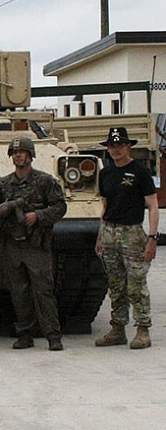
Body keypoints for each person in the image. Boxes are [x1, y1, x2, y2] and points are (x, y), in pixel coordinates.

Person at [0, 137, 67, 351]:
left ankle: (52, 335)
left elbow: (60, 207)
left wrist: (38, 216)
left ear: (30, 155)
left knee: (43, 291)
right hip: (13, 245)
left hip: (36, 245)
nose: (18, 156)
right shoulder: (4, 184)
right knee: (19, 292)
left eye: (22, 152)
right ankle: (24, 334)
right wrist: (2, 212)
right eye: (14, 152)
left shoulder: (44, 181)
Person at [94, 127, 158, 350]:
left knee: (136, 284)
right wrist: (101, 234)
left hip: (132, 233)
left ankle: (142, 329)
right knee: (116, 284)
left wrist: (152, 237)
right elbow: (105, 205)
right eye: (112, 145)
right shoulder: (106, 173)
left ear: (128, 146)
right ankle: (118, 328)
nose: (115, 149)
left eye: (120, 145)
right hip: (110, 232)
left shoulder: (140, 172)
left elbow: (152, 205)